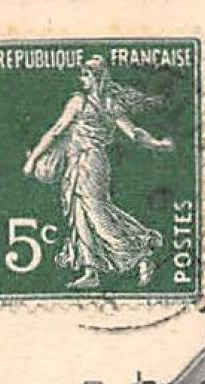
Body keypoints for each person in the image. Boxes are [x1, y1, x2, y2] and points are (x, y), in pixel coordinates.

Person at [22, 55, 174, 290]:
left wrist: (33, 159)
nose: (82, 79)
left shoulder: (83, 102)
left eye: (86, 75)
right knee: (80, 213)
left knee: (96, 212)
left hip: (90, 162)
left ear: (97, 77)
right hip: (78, 162)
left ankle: (140, 251)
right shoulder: (106, 103)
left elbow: (56, 131)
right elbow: (133, 132)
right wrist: (157, 143)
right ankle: (90, 270)